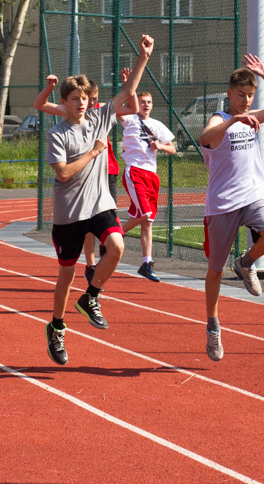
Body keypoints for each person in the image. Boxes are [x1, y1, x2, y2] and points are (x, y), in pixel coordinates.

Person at [40, 34, 154, 366]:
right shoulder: (57, 133)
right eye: (74, 98)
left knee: (117, 247)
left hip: (100, 206)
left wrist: (143, 57)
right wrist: (93, 152)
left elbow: (127, 92)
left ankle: (91, 297)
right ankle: (57, 328)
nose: (80, 103)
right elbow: (62, 174)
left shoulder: (100, 118)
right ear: (63, 101)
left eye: (84, 98)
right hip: (68, 214)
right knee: (65, 277)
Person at [199, 55, 264, 361]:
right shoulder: (220, 119)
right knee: (214, 272)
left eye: (250, 96)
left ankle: (245, 263)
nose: (246, 100)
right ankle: (213, 326)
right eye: (241, 95)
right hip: (222, 205)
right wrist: (233, 120)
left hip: (251, 197)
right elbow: (204, 137)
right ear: (229, 94)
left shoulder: (253, 117)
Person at [33, 70, 135, 283]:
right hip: (75, 186)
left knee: (106, 226)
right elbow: (40, 105)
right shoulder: (65, 116)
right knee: (70, 263)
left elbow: (130, 103)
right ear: (67, 101)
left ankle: (95, 276)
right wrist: (49, 88)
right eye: (79, 98)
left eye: (90, 99)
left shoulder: (99, 114)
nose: (87, 103)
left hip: (105, 174)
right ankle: (90, 264)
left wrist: (133, 78)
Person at [119, 91, 176, 282]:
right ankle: (117, 231)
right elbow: (119, 108)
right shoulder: (129, 118)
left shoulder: (157, 125)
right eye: (142, 102)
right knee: (146, 214)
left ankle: (146, 263)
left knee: (147, 222)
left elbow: (173, 149)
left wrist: (160, 146)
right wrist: (130, 91)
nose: (146, 105)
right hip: (135, 171)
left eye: (149, 102)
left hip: (152, 175)